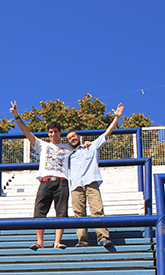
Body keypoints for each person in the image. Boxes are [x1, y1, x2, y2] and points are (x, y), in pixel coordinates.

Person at [10, 100, 73, 249]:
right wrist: (16, 116)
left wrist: (87, 143)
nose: (53, 134)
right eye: (50, 132)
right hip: (45, 181)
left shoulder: (68, 147)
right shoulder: (42, 145)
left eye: (55, 131)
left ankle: (57, 242)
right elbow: (26, 132)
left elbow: (82, 147)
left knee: (61, 213)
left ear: (60, 132)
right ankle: (40, 242)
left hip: (62, 181)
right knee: (39, 211)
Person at [67, 103, 124, 247]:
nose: (72, 139)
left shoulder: (91, 146)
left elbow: (107, 133)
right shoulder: (68, 154)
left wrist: (116, 118)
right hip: (76, 186)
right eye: (69, 138)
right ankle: (82, 240)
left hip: (91, 181)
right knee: (78, 213)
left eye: (74, 136)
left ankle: (103, 237)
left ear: (79, 137)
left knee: (97, 210)